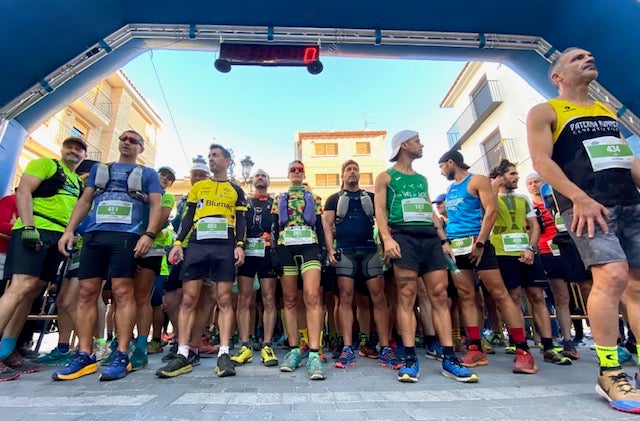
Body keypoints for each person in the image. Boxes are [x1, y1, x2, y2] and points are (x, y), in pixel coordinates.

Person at [527, 47, 640, 414]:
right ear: (556, 75)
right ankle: (609, 371)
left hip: (630, 203)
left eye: (590, 55)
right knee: (611, 275)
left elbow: (625, 159)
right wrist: (580, 198)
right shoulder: (546, 111)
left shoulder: (607, 113)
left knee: (637, 285)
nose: (588, 58)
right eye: (576, 58)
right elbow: (542, 161)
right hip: (588, 207)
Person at [52, 130, 163, 381]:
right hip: (94, 235)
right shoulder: (100, 170)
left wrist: (149, 234)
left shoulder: (147, 174)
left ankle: (122, 354)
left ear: (141, 148)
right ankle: (84, 355)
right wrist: (69, 230)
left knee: (123, 292)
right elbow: (84, 201)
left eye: (133, 140)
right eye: (123, 138)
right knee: (86, 292)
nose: (126, 142)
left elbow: (156, 204)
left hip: (126, 236)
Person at [374, 130, 478, 383]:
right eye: (418, 141)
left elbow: (429, 208)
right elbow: (379, 209)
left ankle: (449, 357)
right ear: (404, 145)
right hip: (404, 238)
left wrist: (443, 240)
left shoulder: (422, 179)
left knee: (440, 295)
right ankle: (410, 357)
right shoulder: (386, 177)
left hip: (430, 240)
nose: (422, 145)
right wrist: (387, 239)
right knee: (407, 295)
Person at [437, 150, 537, 373]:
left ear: (451, 162)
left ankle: (523, 350)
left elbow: (491, 210)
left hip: (478, 243)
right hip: (457, 245)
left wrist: (481, 242)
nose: (442, 171)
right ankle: (475, 348)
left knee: (500, 294)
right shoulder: (451, 189)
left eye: (442, 166)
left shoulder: (478, 180)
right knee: (466, 296)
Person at [0, 136, 87, 381]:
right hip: (36, 229)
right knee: (21, 286)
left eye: (79, 149)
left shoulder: (75, 181)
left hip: (58, 236)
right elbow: (24, 190)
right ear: (62, 149)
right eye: (70, 146)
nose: (74, 151)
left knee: (33, 291)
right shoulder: (47, 164)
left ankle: (7, 350)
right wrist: (28, 226)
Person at [157, 143, 246, 379]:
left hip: (224, 245)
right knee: (189, 298)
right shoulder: (199, 187)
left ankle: (224, 354)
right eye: (209, 156)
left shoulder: (236, 189)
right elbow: (187, 218)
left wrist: (239, 246)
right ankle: (184, 352)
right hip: (197, 244)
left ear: (227, 161)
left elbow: (241, 220)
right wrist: (178, 243)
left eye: (215, 155)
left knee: (224, 298)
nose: (211, 159)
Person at [490, 160, 571, 367]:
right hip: (502, 252)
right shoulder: (491, 198)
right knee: (513, 298)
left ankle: (548, 345)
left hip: (527, 252)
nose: (516, 177)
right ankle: (520, 344)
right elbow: (485, 211)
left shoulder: (523, 198)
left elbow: (534, 226)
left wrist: (531, 248)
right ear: (500, 177)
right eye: (511, 174)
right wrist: (492, 186)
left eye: (516, 174)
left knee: (537, 296)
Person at [323, 160, 395, 369]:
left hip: (370, 251)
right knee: (345, 299)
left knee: (379, 299)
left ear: (360, 174)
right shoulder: (333, 199)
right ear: (342, 176)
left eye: (355, 168)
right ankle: (347, 348)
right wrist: (330, 250)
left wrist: (386, 245)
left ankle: (385, 348)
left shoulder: (371, 198)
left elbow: (383, 223)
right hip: (345, 251)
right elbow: (327, 226)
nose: (352, 171)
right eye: (348, 169)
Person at [272, 160, 326, 380]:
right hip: (286, 247)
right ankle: (294, 349)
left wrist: (324, 249)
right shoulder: (279, 198)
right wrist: (273, 252)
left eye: (300, 170)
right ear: (287, 173)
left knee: (312, 296)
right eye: (292, 169)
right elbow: (274, 226)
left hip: (310, 246)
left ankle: (314, 352)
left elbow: (321, 225)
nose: (296, 172)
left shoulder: (315, 198)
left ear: (304, 174)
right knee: (290, 299)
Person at [232, 169, 279, 367]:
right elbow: (238, 224)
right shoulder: (245, 202)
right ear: (252, 180)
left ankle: (267, 344)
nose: (260, 177)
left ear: (268, 181)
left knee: (269, 297)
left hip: (268, 252)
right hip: (247, 251)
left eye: (264, 175)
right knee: (244, 298)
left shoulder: (275, 202)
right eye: (257, 175)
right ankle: (245, 345)